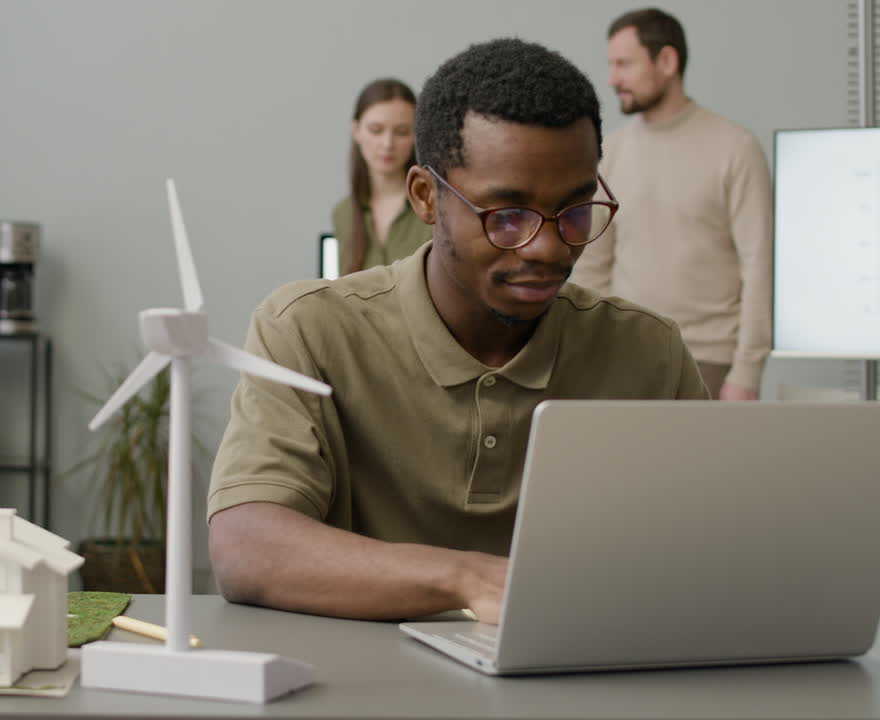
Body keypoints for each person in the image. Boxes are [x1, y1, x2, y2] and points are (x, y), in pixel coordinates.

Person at [207, 38, 707, 625]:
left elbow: (713, 550)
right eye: (507, 216)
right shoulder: (307, 331)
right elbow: (246, 547)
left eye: (574, 211)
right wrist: (471, 579)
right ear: (426, 196)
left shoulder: (648, 352)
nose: (547, 246)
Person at [570, 7, 773, 401]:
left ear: (666, 61)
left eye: (624, 64)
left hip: (711, 363)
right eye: (611, 65)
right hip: (626, 358)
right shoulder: (609, 152)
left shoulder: (736, 148)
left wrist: (747, 371)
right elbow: (593, 266)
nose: (612, 79)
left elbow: (759, 265)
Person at [330, 78, 429, 276]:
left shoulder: (432, 206)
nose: (387, 144)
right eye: (376, 130)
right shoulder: (343, 214)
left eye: (401, 132)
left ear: (415, 136)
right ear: (356, 131)